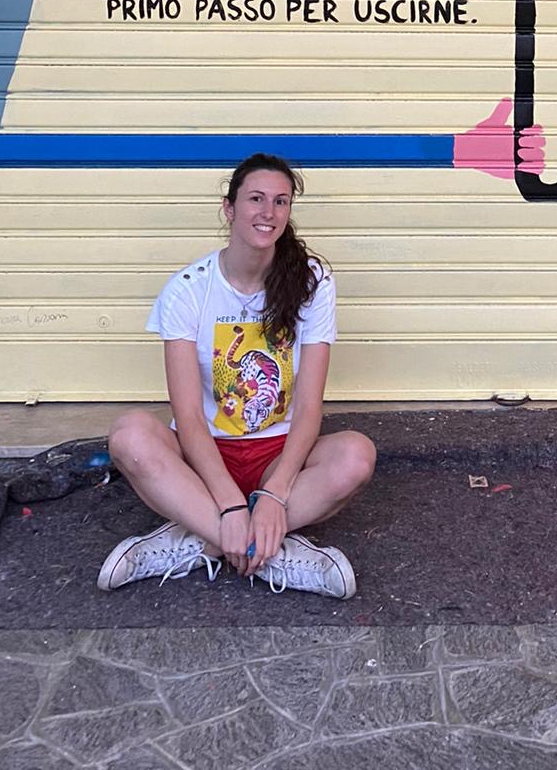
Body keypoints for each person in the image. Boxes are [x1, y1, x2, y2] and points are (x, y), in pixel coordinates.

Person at [98, 152, 376, 595]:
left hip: (279, 453)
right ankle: (262, 548)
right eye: (256, 199)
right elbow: (189, 415)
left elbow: (309, 407)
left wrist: (276, 493)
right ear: (229, 208)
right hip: (204, 456)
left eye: (281, 201)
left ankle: (202, 538)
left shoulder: (313, 282)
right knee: (129, 434)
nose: (269, 212)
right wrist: (229, 504)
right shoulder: (188, 291)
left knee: (356, 455)